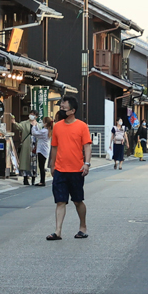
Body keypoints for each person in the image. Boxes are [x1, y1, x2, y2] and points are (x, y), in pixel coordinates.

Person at [46, 96, 92, 240]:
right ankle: (58, 231)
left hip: (76, 169)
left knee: (77, 200)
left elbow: (87, 145)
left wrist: (87, 163)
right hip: (60, 169)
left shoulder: (82, 126)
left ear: (72, 110)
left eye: (64, 107)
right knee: (60, 201)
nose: (61, 109)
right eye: (61, 107)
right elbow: (54, 147)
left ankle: (82, 226)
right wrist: (52, 166)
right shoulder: (58, 126)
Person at [16, 112, 36, 185]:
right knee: (25, 161)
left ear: (36, 116)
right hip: (26, 143)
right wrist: (14, 122)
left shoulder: (38, 125)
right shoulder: (25, 123)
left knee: (34, 162)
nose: (31, 116)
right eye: (31, 114)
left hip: (35, 145)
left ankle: (33, 178)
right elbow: (19, 127)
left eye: (33, 115)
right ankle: (25, 178)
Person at [32, 116, 52, 187]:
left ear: (46, 123)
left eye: (44, 122)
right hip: (45, 149)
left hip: (42, 150)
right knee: (41, 166)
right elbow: (38, 133)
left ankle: (42, 181)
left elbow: (35, 133)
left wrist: (34, 125)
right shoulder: (47, 130)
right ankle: (42, 180)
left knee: (41, 166)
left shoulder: (44, 131)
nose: (42, 123)